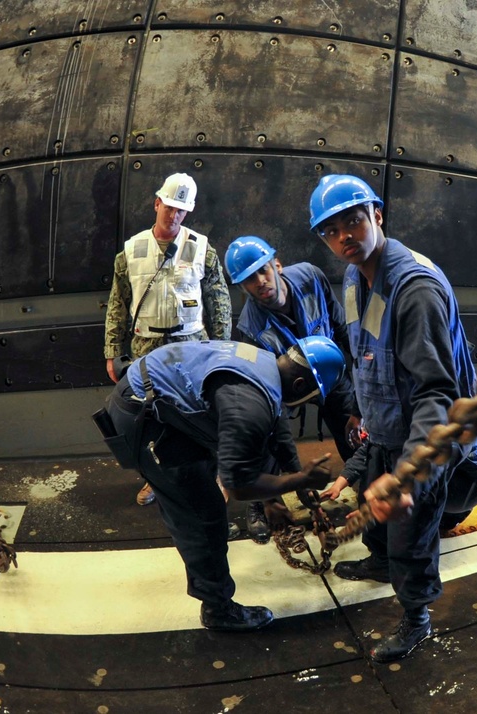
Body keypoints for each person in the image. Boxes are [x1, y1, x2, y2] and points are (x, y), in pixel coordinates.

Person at [309, 174, 477, 663]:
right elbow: (369, 357)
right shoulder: (354, 280)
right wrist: (363, 429)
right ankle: (378, 561)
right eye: (331, 229)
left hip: (432, 442)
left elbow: (438, 394)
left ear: (377, 215)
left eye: (353, 220)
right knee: (375, 522)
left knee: (410, 534)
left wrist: (410, 472)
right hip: (389, 432)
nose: (344, 235)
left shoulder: (415, 290)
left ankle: (416, 619)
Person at [98, 337, 346, 631]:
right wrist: (299, 479)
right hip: (142, 419)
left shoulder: (264, 366)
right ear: (301, 386)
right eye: (314, 398)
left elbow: (274, 435)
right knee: (202, 512)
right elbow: (239, 485)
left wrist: (290, 490)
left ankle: (208, 556)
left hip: (156, 400)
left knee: (206, 480)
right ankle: (218, 609)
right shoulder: (248, 404)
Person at [103, 173, 233, 508]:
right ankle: (156, 481)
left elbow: (219, 301)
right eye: (170, 207)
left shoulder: (201, 249)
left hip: (193, 345)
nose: (173, 216)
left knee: (202, 411)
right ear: (157, 202)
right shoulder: (131, 252)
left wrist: (223, 347)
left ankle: (214, 474)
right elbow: (117, 304)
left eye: (181, 211)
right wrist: (112, 352)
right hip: (147, 347)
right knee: (149, 417)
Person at [224, 235, 363, 541]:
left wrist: (357, 402)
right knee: (265, 436)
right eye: (249, 280)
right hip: (286, 388)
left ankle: (365, 483)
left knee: (352, 429)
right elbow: (268, 401)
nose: (260, 282)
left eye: (263, 270)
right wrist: (298, 479)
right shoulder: (250, 330)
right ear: (242, 287)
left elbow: (341, 330)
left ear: (277, 264)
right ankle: (264, 504)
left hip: (329, 372)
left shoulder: (312, 277)